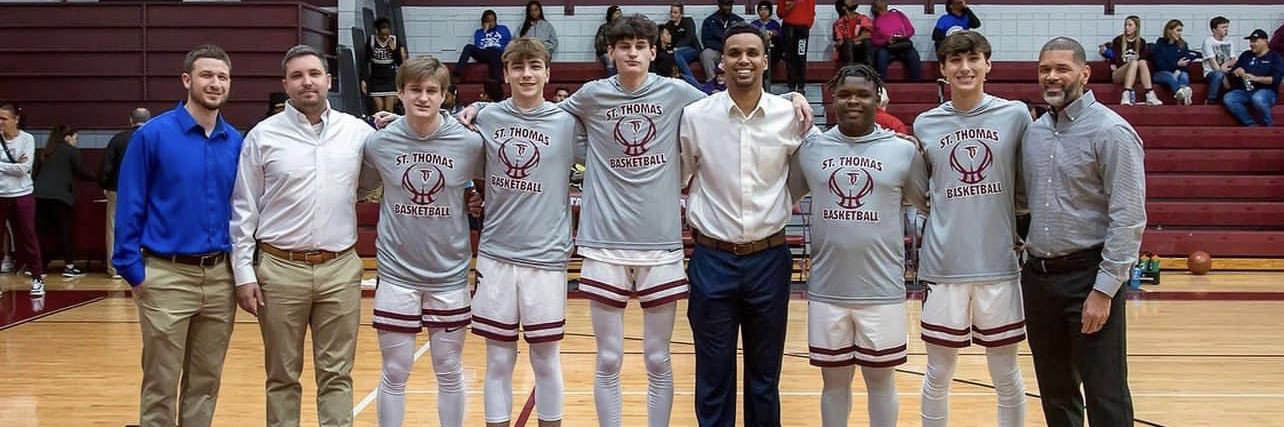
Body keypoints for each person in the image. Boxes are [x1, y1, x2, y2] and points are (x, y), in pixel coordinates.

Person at [458, 17, 811, 426]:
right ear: (610, 52)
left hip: (660, 246)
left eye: (639, 45)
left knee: (657, 358)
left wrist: (795, 97)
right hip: (603, 243)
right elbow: (536, 111)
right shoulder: (590, 96)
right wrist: (481, 108)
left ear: (652, 51)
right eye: (622, 45)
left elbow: (728, 100)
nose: (631, 53)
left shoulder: (680, 94)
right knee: (608, 358)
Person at [230, 45, 375, 427]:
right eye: (297, 76)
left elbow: (379, 178)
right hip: (279, 269)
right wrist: (244, 273)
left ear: (328, 80)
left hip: (339, 268)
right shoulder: (262, 137)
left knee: (337, 375)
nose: (306, 82)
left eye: (313, 73)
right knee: (281, 377)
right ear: (285, 85)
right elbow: (245, 208)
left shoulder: (358, 133)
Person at [680, 23, 810, 427]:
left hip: (769, 257)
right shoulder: (696, 116)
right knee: (713, 376)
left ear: (766, 60)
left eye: (752, 53)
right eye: (734, 53)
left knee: (763, 379)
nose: (743, 60)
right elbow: (681, 176)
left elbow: (822, 166)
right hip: (711, 258)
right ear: (722, 62)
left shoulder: (791, 115)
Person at [788, 64, 926, 427]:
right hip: (827, 291)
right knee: (833, 384)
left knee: (881, 383)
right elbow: (782, 195)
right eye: (845, 94)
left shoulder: (902, 151)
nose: (853, 100)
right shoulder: (812, 148)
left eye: (862, 94)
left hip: (882, 291)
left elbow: (929, 203)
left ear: (877, 99)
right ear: (833, 99)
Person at [112, 44, 242, 426]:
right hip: (166, 275)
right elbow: (130, 204)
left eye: (222, 77)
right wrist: (133, 271)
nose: (215, 83)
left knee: (206, 381)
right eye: (207, 75)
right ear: (187, 80)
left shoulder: (236, 141)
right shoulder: (152, 137)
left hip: (220, 278)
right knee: (161, 382)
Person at [1024, 36, 1147, 427]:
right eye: (1045, 69)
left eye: (1062, 68)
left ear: (1085, 73)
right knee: (1056, 393)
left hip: (1088, 279)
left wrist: (1104, 289)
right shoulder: (1035, 132)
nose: (1052, 76)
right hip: (1040, 280)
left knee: (1104, 392)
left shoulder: (1111, 131)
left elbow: (1128, 216)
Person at [912, 31, 1031, 427]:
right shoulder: (925, 123)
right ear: (943, 69)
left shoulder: (1015, 115)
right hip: (944, 264)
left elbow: (1026, 183)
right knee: (938, 373)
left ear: (988, 64)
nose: (965, 68)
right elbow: (919, 191)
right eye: (955, 61)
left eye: (973, 59)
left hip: (999, 261)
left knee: (1006, 375)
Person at [362, 54, 483, 427]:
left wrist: (478, 197)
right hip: (397, 274)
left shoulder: (469, 144)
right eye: (415, 89)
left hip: (448, 274)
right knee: (394, 373)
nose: (423, 97)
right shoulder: (379, 143)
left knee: (449, 371)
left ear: (445, 95)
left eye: (432, 90)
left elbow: (492, 189)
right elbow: (356, 186)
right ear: (399, 92)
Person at [470, 37, 579, 427]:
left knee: (546, 358)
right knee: (498, 359)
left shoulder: (568, 123)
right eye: (518, 67)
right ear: (506, 73)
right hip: (497, 254)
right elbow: (455, 156)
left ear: (547, 73)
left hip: (547, 257)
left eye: (535, 66)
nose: (527, 74)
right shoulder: (485, 118)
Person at [34, 125, 95, 277]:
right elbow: (81, 172)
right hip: (60, 196)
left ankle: (39, 267)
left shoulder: (45, 151)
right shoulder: (71, 151)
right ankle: (69, 266)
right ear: (68, 137)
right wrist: (99, 178)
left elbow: (35, 174)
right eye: (76, 138)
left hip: (39, 195)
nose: (76, 142)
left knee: (41, 233)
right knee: (65, 231)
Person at [99, 107, 150, 279]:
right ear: (149, 120)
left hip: (117, 188)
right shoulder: (153, 137)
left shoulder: (117, 139)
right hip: (147, 189)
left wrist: (105, 185)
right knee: (146, 226)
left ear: (131, 120)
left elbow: (107, 166)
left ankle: (115, 268)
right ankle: (145, 265)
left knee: (114, 228)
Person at [0, 101, 43, 296]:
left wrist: (3, 165)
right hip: (1, 194)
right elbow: (17, 167)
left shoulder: (27, 139)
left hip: (23, 194)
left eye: (4, 119)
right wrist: (13, 165)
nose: (0, 122)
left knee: (28, 236)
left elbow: (24, 169)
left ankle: (37, 278)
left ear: (15, 119)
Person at [1222, 29, 1282, 127]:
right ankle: (1251, 124)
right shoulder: (1246, 55)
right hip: (1245, 90)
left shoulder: (1275, 57)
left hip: (1266, 91)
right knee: (1229, 98)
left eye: (1255, 41)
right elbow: (1233, 72)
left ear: (1265, 41)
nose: (1251, 44)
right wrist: (1236, 72)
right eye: (1251, 41)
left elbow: (1276, 79)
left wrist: (1255, 78)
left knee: (1257, 98)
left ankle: (1269, 125)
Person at [1110, 16, 1162, 106]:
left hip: (1135, 74)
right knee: (1134, 62)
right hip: (1120, 73)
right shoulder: (1118, 40)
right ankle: (1126, 94)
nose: (1127, 27)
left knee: (1142, 62)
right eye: (1126, 25)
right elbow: (1118, 61)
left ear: (1136, 27)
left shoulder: (1141, 42)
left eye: (1130, 25)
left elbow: (1143, 58)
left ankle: (1150, 94)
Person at [870, 0, 921, 81]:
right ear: (875, 7)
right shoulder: (876, 21)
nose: (882, 2)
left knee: (913, 55)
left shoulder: (898, 14)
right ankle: (880, 84)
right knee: (881, 55)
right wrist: (886, 40)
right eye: (879, 1)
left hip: (903, 45)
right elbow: (874, 40)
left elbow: (910, 30)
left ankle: (916, 83)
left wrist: (903, 36)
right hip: (887, 47)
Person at [365, 18, 407, 113]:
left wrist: (394, 50)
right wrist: (364, 79)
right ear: (377, 32)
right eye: (382, 35)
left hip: (390, 78)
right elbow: (365, 61)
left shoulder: (394, 40)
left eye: (387, 35)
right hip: (375, 78)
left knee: (388, 110)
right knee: (379, 109)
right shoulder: (371, 40)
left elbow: (399, 62)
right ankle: (379, 127)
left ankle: (388, 127)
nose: (385, 37)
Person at [457, 10, 512, 83]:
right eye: (488, 21)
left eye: (493, 20)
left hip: (498, 53)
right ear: (484, 22)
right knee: (468, 47)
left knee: (495, 51)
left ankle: (495, 80)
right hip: (484, 53)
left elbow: (509, 43)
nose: (491, 23)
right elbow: (479, 46)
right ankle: (457, 73)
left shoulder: (503, 29)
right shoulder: (479, 32)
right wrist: (484, 32)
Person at [1151, 19, 1196, 105]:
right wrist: (1176, 65)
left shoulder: (1183, 44)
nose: (1180, 33)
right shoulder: (1160, 44)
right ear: (1169, 30)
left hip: (1177, 71)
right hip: (1160, 73)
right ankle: (1184, 97)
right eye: (1178, 30)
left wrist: (1178, 69)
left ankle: (1180, 99)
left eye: (1181, 31)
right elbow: (1160, 65)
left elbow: (1187, 60)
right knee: (1171, 77)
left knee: (1184, 75)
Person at [700, 0, 745, 82]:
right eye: (726, 5)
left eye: (730, 5)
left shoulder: (739, 21)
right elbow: (706, 41)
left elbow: (742, 39)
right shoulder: (709, 21)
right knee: (706, 54)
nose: (728, 7)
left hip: (733, 51)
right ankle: (712, 82)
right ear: (719, 5)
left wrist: (730, 48)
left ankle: (737, 83)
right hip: (717, 51)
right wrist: (722, 48)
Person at [779, 0, 816, 93]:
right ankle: (791, 85)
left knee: (801, 56)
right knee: (789, 56)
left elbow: (811, 12)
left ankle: (801, 85)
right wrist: (788, 8)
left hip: (802, 29)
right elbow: (780, 13)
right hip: (788, 28)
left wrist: (806, 26)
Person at [664, 3, 703, 83]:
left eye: (675, 12)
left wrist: (676, 48)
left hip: (692, 49)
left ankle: (693, 81)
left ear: (681, 14)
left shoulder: (688, 21)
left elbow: (689, 38)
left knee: (678, 54)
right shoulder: (668, 25)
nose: (672, 15)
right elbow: (667, 41)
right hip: (676, 51)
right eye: (671, 12)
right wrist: (669, 49)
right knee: (671, 56)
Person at [750, 1, 784, 89]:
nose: (763, 12)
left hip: (773, 52)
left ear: (770, 11)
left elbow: (780, 40)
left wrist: (773, 34)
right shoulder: (754, 24)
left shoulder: (775, 24)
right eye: (761, 9)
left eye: (766, 9)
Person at [1202, 17, 1235, 104]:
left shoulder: (1229, 42)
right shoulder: (1208, 41)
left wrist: (1226, 64)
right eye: (1223, 27)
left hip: (1226, 70)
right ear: (1214, 30)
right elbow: (1213, 63)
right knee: (1218, 75)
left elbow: (1233, 59)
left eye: (1227, 27)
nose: (1226, 29)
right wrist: (1223, 74)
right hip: (1211, 73)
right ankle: (1210, 101)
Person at [832, 0, 873, 68]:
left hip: (861, 50)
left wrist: (853, 40)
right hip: (846, 52)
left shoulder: (863, 18)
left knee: (867, 42)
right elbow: (840, 41)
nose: (852, 0)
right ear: (844, 7)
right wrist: (853, 41)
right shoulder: (838, 23)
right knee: (848, 43)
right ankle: (849, 70)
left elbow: (868, 34)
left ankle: (869, 69)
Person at [594, 5, 624, 75]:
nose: (619, 15)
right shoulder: (604, 28)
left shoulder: (624, 28)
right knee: (609, 59)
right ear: (611, 15)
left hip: (620, 52)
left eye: (620, 13)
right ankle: (612, 82)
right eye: (616, 13)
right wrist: (611, 50)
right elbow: (598, 44)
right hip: (607, 52)